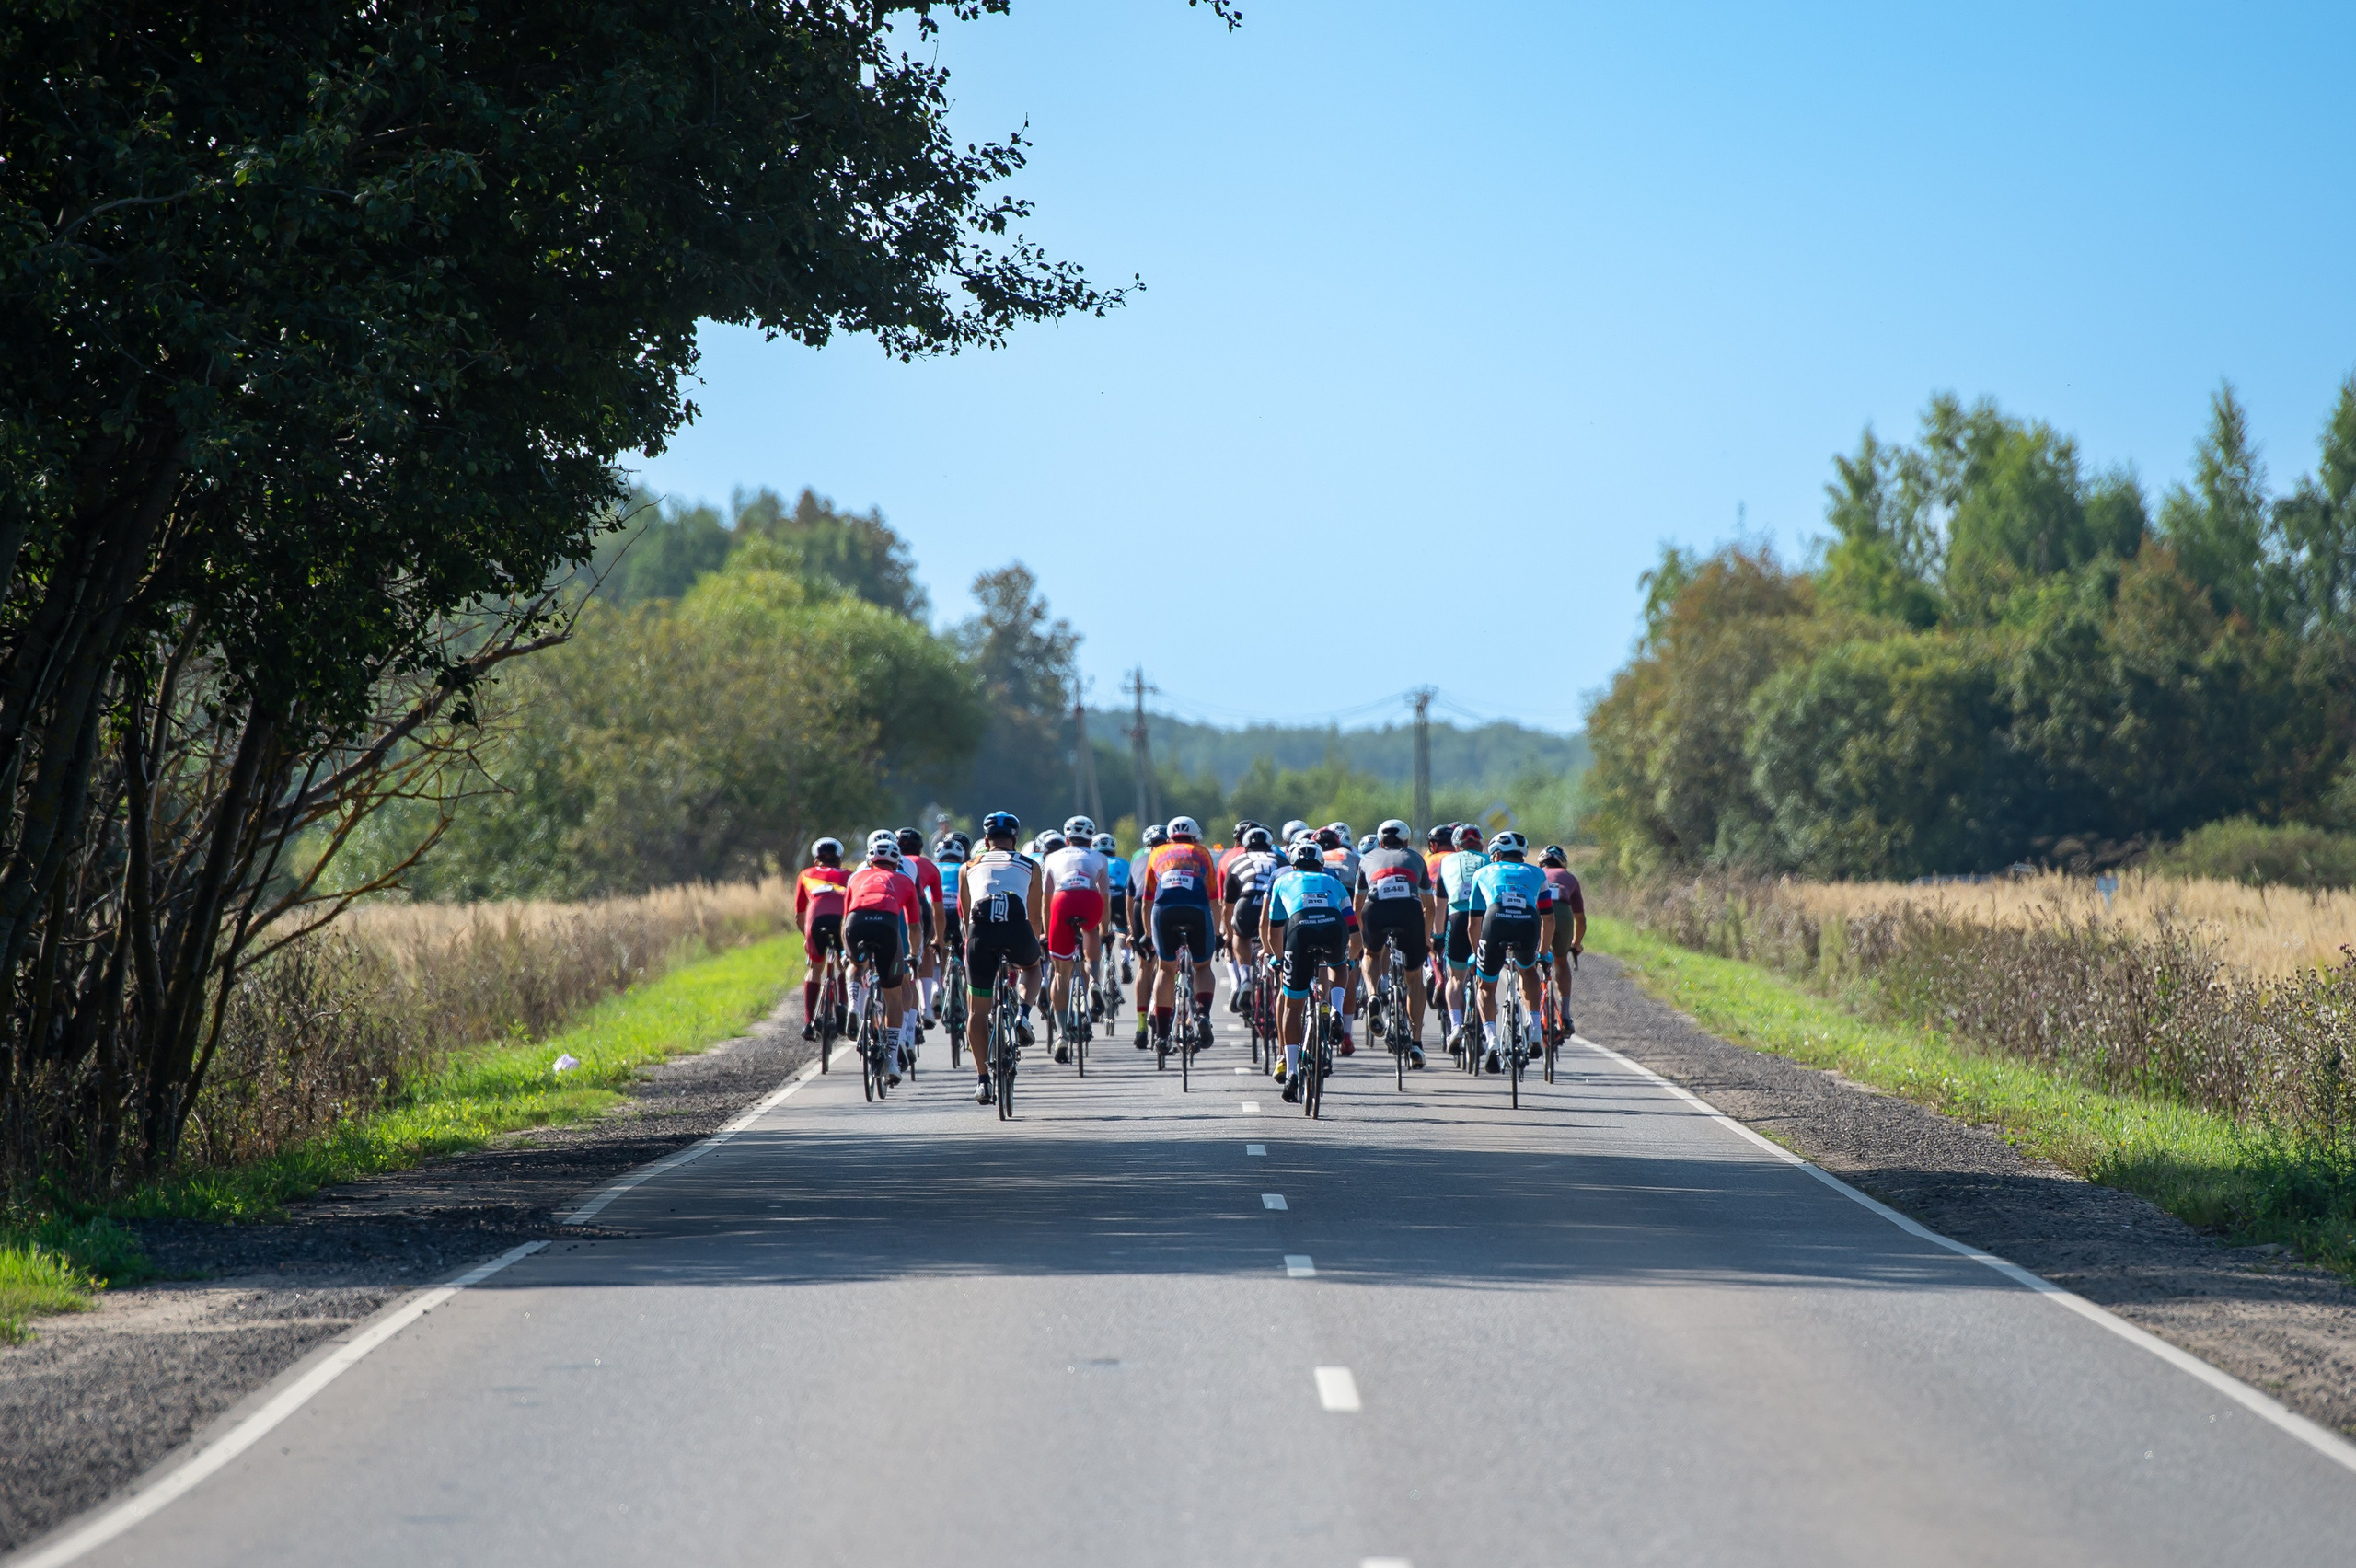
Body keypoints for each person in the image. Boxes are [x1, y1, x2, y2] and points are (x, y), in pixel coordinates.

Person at [1259, 839, 1358, 1102]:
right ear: (1320, 864)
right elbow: (1354, 929)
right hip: (1333, 927)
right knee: (1339, 968)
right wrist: (1350, 960)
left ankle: (1291, 1070)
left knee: (1293, 1005)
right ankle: (1335, 1010)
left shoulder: (1282, 881)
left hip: (1299, 931)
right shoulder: (1335, 883)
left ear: (1293, 864)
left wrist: (1279, 960)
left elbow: (1273, 931)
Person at [960, 812, 1046, 1105]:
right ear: (1015, 839)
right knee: (1034, 968)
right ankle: (1023, 1014)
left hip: (980, 934)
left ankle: (983, 1080)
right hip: (1016, 928)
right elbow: (1034, 918)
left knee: (977, 1012)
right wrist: (1027, 949)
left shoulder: (968, 866)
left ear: (986, 841)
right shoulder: (1031, 865)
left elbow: (966, 916)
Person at [1466, 831, 1556, 1073]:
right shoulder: (1537, 873)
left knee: (1485, 986)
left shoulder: (1482, 873)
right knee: (1528, 972)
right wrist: (1543, 953)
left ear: (1495, 855)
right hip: (1528, 920)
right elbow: (1549, 919)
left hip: (1494, 920)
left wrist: (1477, 954)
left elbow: (1473, 923)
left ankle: (1493, 1042)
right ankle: (1535, 1030)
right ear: (1522, 855)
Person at [843, 833, 923, 1087]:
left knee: (856, 966)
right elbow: (913, 925)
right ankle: (891, 1059)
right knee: (893, 995)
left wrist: (848, 954)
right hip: (887, 928)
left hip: (856, 925)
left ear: (869, 859)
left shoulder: (855, 877)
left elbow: (845, 917)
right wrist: (914, 954)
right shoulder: (905, 880)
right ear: (897, 862)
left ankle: (854, 1005)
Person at [1354, 817, 1435, 1067]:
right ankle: (1417, 1044)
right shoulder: (1416, 858)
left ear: (1379, 842)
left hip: (1375, 909)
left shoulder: (1367, 859)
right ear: (1407, 841)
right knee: (1414, 978)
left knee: (1372, 956)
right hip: (1409, 912)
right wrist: (1425, 939)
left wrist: (1363, 936)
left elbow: (1357, 906)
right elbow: (1429, 906)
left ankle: (1372, 995)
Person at [1140, 815, 1219, 1055]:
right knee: (1203, 966)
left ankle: (1162, 1036)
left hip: (1165, 911)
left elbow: (1147, 900)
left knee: (1165, 968)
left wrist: (1146, 934)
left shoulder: (1157, 853)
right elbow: (1214, 898)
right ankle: (1203, 1014)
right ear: (1195, 836)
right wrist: (1216, 933)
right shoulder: (1202, 853)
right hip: (1196, 909)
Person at [1042, 827, 1112, 1064]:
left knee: (1061, 973)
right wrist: (1106, 930)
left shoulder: (1052, 857)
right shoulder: (1099, 857)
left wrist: (1045, 931)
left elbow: (1046, 899)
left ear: (1067, 840)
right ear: (1090, 840)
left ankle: (1061, 1033)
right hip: (1090, 901)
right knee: (1090, 929)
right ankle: (1093, 981)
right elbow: (1104, 895)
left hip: (1062, 902)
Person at [1434, 824, 1489, 1061]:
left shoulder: (1446, 862)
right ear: (1480, 845)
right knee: (1486, 980)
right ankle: (1487, 1029)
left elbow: (1440, 905)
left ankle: (1456, 1026)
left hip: (1456, 918)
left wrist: (1437, 937)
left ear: (1456, 846)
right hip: (1485, 918)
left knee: (1455, 977)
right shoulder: (1489, 860)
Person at [1218, 825, 1282, 1011]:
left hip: (1246, 903)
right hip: (1272, 905)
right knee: (1280, 939)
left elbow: (1227, 906)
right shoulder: (1281, 859)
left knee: (1241, 936)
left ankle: (1245, 976)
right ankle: (1278, 980)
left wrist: (1229, 938)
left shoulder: (1236, 861)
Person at [793, 836, 850, 1042]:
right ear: (839, 860)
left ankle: (808, 1022)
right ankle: (843, 1004)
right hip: (843, 923)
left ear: (816, 860)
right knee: (847, 965)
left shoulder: (805, 874)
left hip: (816, 923)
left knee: (814, 969)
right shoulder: (850, 875)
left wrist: (806, 938)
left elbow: (799, 915)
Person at [894, 827, 944, 1033]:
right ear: (920, 847)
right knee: (925, 952)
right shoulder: (928, 865)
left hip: (894, 908)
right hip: (920, 907)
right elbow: (937, 906)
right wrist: (938, 939)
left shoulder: (893, 863)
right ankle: (926, 1008)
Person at [1536, 845, 1587, 1043]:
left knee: (1528, 966)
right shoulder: (1570, 878)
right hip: (1563, 916)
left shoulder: (1535, 874)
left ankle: (1531, 1015)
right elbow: (1580, 919)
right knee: (1561, 960)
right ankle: (1565, 1015)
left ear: (1541, 862)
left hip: (1539, 914)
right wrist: (1576, 943)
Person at [1128, 824, 1167, 1047]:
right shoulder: (1173, 853)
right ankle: (1163, 1011)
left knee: (1144, 965)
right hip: (1165, 904)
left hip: (1140, 906)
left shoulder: (1137, 855)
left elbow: (1130, 895)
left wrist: (1132, 932)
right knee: (1168, 966)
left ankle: (1141, 1025)